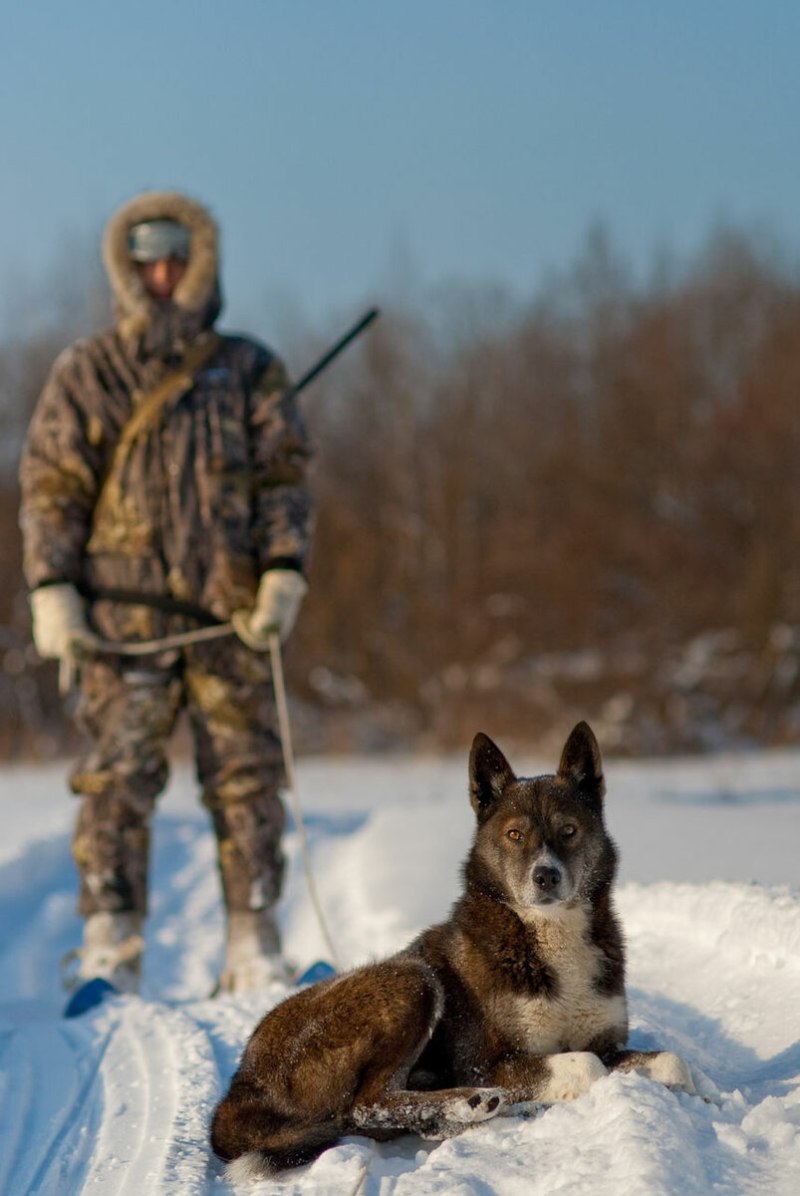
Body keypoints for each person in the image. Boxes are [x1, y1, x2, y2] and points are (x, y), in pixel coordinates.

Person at [18, 190, 313, 994]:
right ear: (125, 269)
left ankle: (254, 941)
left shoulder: (250, 370)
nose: (160, 275)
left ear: (200, 266)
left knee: (248, 778)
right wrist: (54, 589)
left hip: (230, 617)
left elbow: (285, 479)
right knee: (116, 780)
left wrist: (284, 571)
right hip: (123, 624)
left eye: (175, 260)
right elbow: (52, 489)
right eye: (145, 261)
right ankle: (111, 945)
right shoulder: (88, 371)